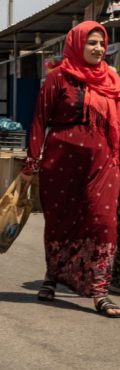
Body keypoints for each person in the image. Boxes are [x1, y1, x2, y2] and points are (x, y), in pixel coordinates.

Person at [20, 21, 120, 317]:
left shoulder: (113, 80)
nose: (98, 48)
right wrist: (31, 162)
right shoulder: (58, 77)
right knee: (60, 222)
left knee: (104, 222)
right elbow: (39, 119)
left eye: (101, 43)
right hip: (60, 162)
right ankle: (53, 276)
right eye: (91, 42)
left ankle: (100, 290)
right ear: (77, 43)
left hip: (104, 163)